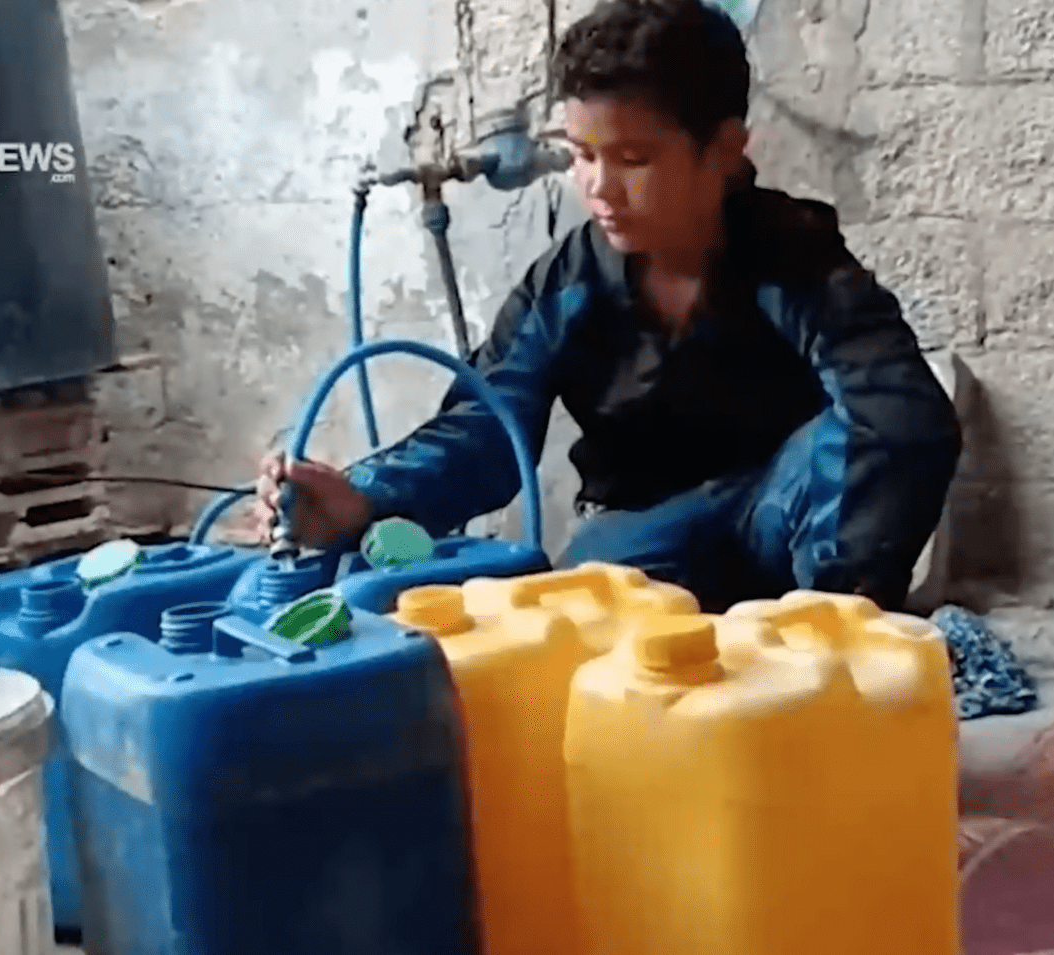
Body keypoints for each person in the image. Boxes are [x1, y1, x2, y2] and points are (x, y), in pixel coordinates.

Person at [253, 0, 962, 613]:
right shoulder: (566, 280)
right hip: (645, 537)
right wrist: (362, 495)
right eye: (583, 155)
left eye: (633, 157)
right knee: (587, 575)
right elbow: (487, 429)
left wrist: (840, 613)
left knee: (869, 432)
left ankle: (822, 645)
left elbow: (903, 415)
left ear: (724, 151)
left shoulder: (794, 257)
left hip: (783, 523)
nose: (600, 188)